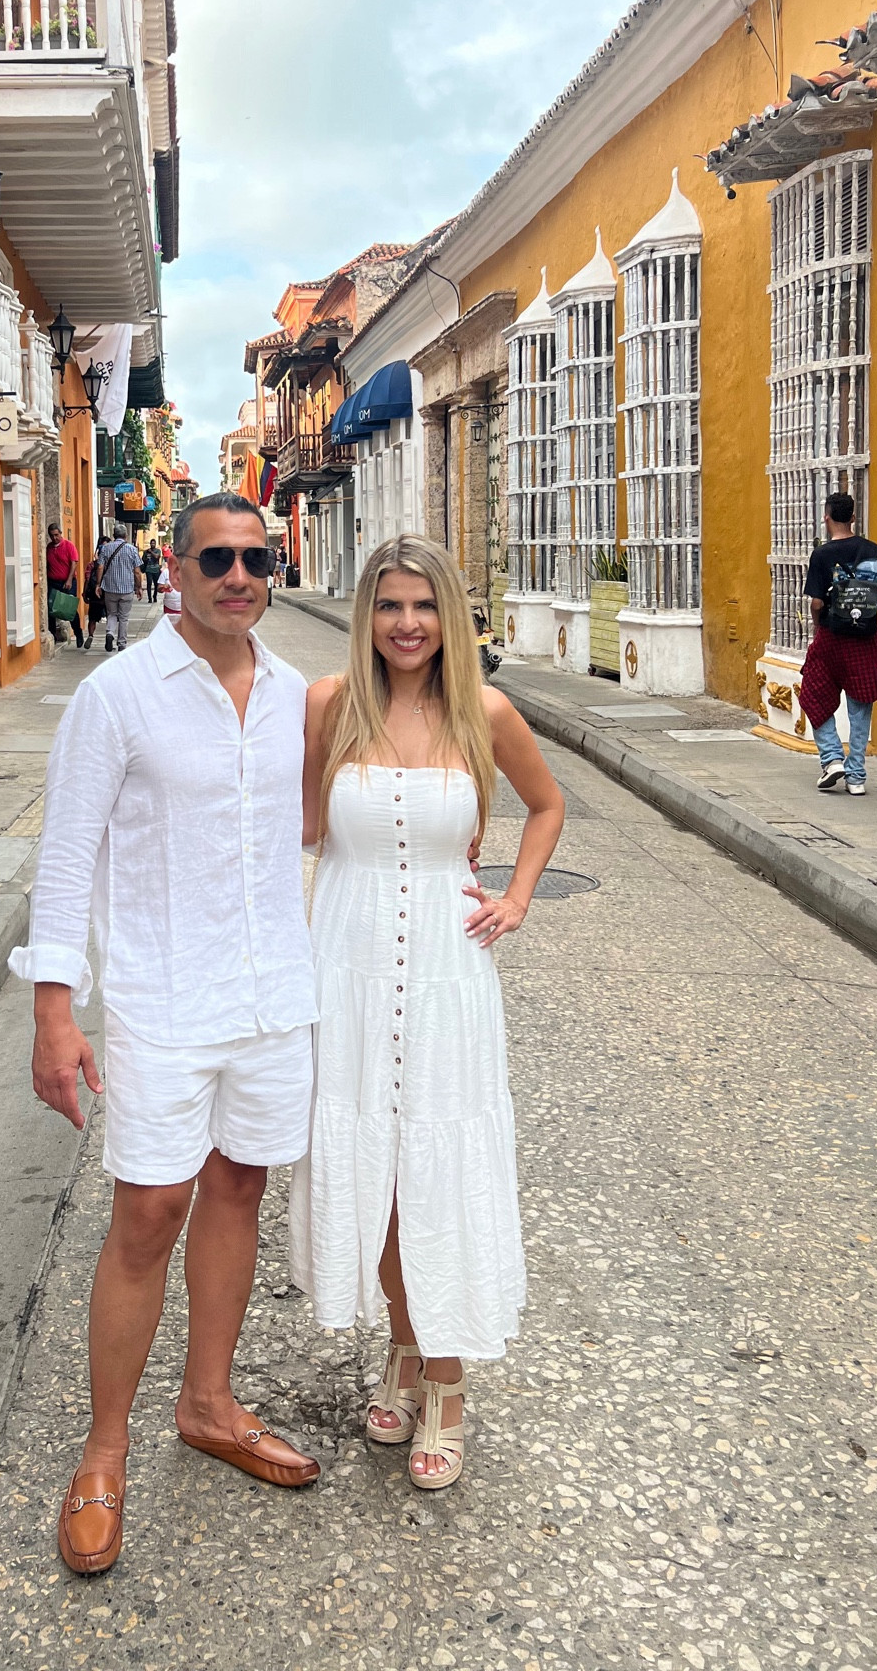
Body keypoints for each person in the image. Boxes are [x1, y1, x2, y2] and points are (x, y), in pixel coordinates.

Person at [13, 493, 319, 1576]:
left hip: (271, 992)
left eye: (257, 557)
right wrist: (56, 1007)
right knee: (148, 1209)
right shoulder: (119, 695)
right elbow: (66, 855)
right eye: (218, 558)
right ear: (176, 569)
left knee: (241, 1187)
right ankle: (103, 1450)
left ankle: (210, 1400)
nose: (240, 574)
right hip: (162, 995)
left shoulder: (294, 695)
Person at [290, 534, 564, 1493]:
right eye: (389, 605)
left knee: (438, 1168)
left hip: (450, 973)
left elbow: (546, 806)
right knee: (386, 1179)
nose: (407, 624)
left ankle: (445, 1385)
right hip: (349, 962)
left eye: (424, 606)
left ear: (450, 614)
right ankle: (406, 1349)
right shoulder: (331, 707)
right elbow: (301, 830)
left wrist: (518, 898)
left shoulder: (484, 711)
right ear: (367, 615)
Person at [800, 491, 877, 796]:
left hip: (831, 638)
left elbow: (816, 602)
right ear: (853, 517)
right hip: (866, 639)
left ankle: (831, 759)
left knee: (813, 695)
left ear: (826, 516)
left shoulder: (822, 555)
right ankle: (856, 776)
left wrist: (818, 625)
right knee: (860, 707)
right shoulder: (872, 549)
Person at [97, 526, 145, 651]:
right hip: (127, 589)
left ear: (113, 535)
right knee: (124, 617)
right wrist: (139, 587)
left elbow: (100, 567)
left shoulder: (106, 548)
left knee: (112, 614)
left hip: (110, 587)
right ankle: (122, 643)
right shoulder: (132, 549)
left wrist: (98, 584)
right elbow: (137, 572)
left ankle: (110, 633)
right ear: (126, 536)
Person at [46, 521, 82, 650]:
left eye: (56, 535)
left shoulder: (69, 546)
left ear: (61, 533)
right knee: (51, 610)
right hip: (53, 582)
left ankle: (78, 633)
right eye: (52, 535)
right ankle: (53, 635)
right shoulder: (49, 548)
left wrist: (69, 579)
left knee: (70, 609)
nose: (54, 538)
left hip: (68, 581)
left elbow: (74, 563)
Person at [82, 543, 108, 650]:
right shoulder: (109, 565)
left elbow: (87, 579)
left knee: (92, 618)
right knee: (110, 617)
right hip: (106, 595)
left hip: (94, 596)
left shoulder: (91, 565)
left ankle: (91, 635)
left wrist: (85, 593)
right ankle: (108, 637)